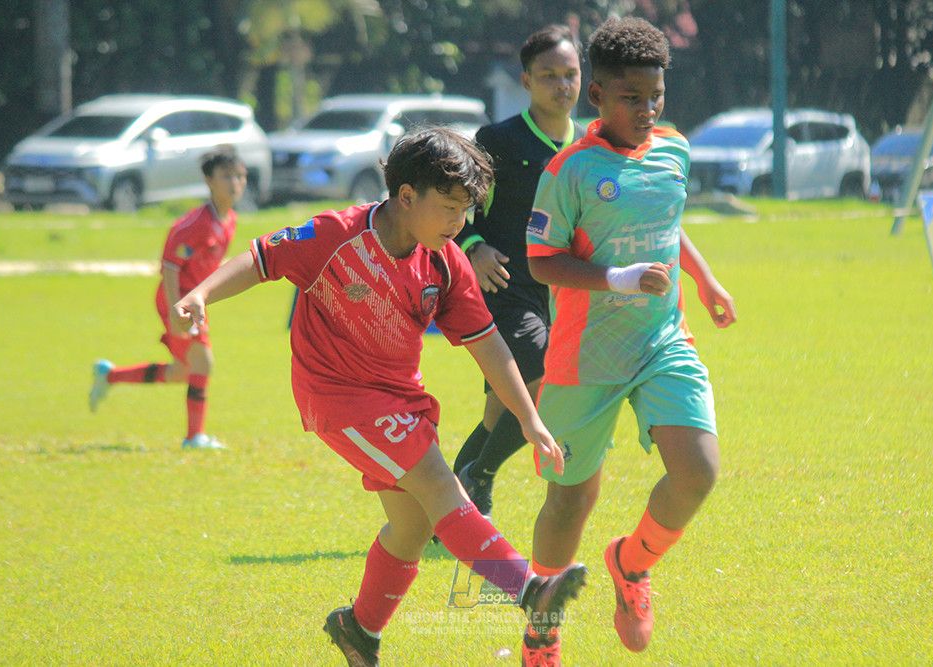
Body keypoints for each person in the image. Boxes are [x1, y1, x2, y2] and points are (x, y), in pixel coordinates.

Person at [169, 128, 587, 667]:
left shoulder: (445, 261)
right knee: (439, 484)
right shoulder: (337, 234)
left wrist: (528, 418)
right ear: (406, 195)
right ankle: (530, 590)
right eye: (450, 208)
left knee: (412, 527)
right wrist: (201, 293)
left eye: (466, 210)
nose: (460, 223)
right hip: (337, 396)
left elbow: (487, 343)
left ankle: (358, 630)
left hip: (399, 396)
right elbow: (261, 259)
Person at [523, 17, 737, 660]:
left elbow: (667, 221)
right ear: (598, 96)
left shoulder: (675, 150)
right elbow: (541, 260)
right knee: (571, 500)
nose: (647, 110)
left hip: (662, 340)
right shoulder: (569, 170)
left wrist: (704, 279)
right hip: (585, 356)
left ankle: (632, 564)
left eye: (656, 96)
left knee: (698, 471)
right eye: (631, 97)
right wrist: (617, 277)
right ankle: (541, 632)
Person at [451, 25, 587, 519]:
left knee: (499, 410)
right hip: (503, 288)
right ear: (526, 80)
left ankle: (447, 509)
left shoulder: (589, 145)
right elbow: (454, 206)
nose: (562, 85)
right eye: (548, 75)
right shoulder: (498, 140)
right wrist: (474, 246)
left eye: (570, 74)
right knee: (545, 378)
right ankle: (480, 477)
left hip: (560, 294)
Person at [89, 145, 247, 450]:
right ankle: (194, 437)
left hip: (193, 301)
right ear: (209, 181)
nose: (235, 183)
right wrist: (177, 309)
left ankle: (109, 376)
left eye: (240, 176)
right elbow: (170, 267)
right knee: (203, 362)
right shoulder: (196, 224)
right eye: (227, 176)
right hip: (177, 299)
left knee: (182, 372)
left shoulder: (229, 220)